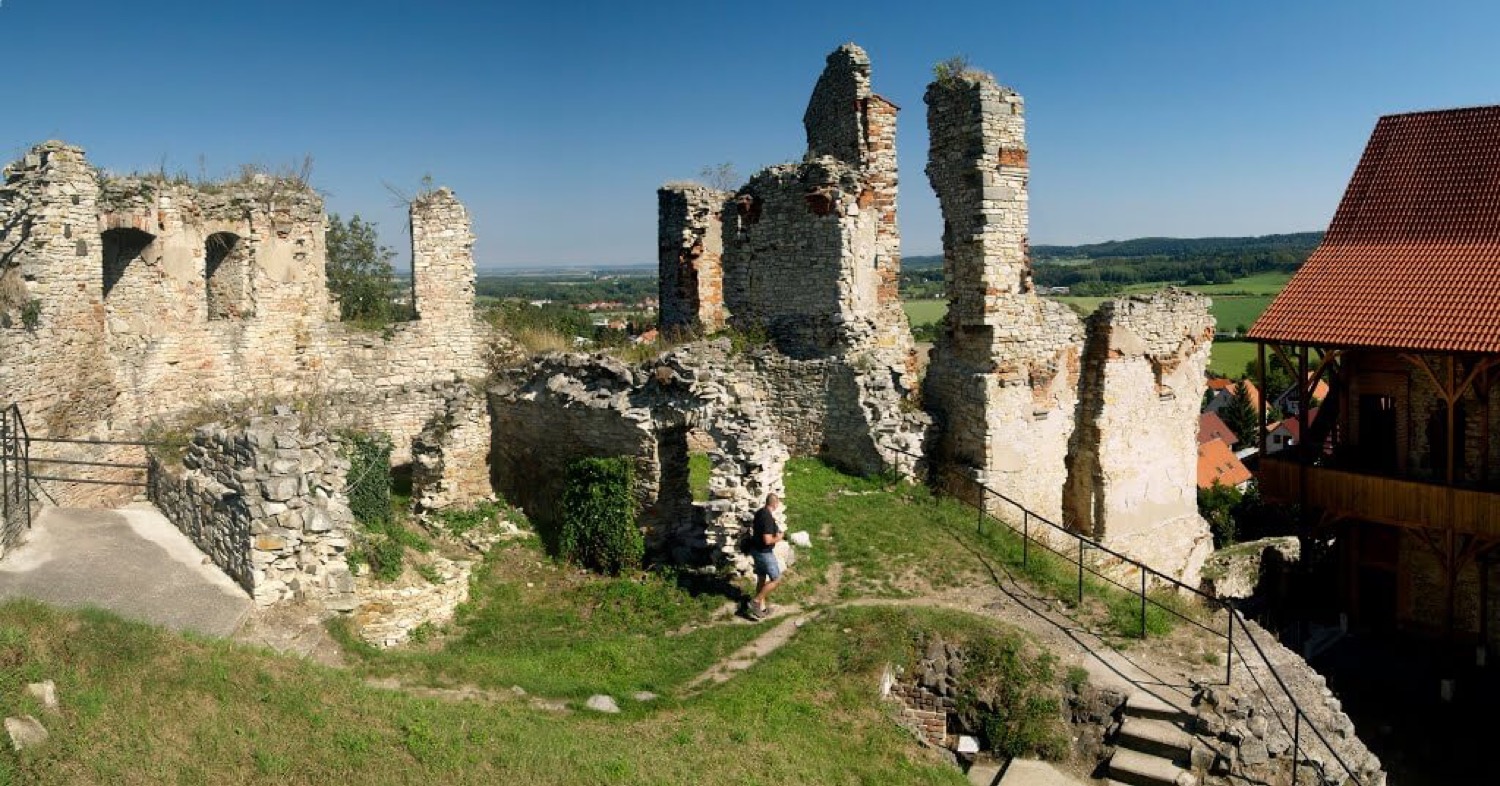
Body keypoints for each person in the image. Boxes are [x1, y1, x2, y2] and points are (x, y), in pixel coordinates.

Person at [746, 493, 784, 620]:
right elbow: (767, 540)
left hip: (756, 550)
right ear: (775, 503)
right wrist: (778, 538)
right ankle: (755, 601)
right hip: (764, 552)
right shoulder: (767, 518)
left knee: (761, 578)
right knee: (776, 579)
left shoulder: (760, 512)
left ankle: (761, 609)